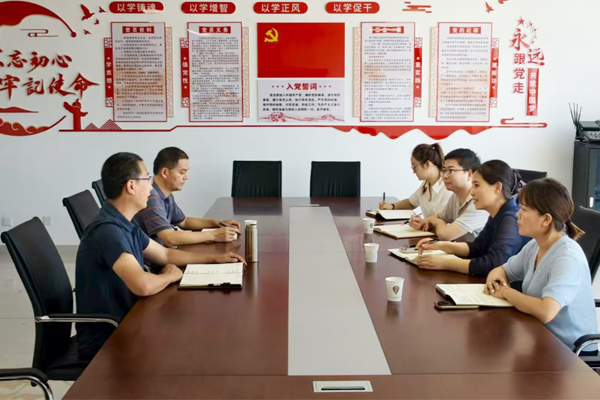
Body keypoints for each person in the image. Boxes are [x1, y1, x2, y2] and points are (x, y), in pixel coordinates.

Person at [76, 152, 246, 360]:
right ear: (131, 186)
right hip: (108, 339)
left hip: (129, 320)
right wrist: (169, 276)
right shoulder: (108, 232)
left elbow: (164, 254)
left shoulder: (125, 223)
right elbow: (143, 285)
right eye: (147, 179)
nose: (151, 187)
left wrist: (215, 259)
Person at [484, 178, 598, 352]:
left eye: (524, 209)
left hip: (570, 352)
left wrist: (506, 292)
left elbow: (546, 311)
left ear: (546, 219)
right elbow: (501, 270)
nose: (517, 214)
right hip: (539, 336)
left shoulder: (567, 257)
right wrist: (495, 282)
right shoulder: (536, 245)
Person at [415, 160, 530, 277]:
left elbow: (494, 263)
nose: (472, 192)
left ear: (497, 188)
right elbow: (476, 248)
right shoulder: (497, 214)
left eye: (476, 185)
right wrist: (439, 245)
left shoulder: (511, 218)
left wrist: (446, 263)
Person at [135, 147, 240, 247]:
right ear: (165, 172)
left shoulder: (166, 195)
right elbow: (169, 238)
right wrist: (214, 235)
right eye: (182, 172)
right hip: (151, 259)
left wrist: (217, 223)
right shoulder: (151, 197)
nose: (186, 177)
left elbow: (184, 222)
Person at [411, 148, 488, 242]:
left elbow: (446, 235)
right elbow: (439, 217)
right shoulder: (455, 197)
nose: (445, 176)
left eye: (451, 170)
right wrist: (422, 222)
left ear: (470, 174)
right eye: (444, 170)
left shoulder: (479, 202)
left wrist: (436, 222)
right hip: (460, 249)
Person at [379, 143, 452, 218]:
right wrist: (392, 206)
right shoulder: (426, 184)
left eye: (414, 167)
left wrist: (422, 222)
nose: (413, 172)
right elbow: (411, 203)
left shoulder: (447, 188)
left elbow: (442, 219)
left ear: (427, 164)